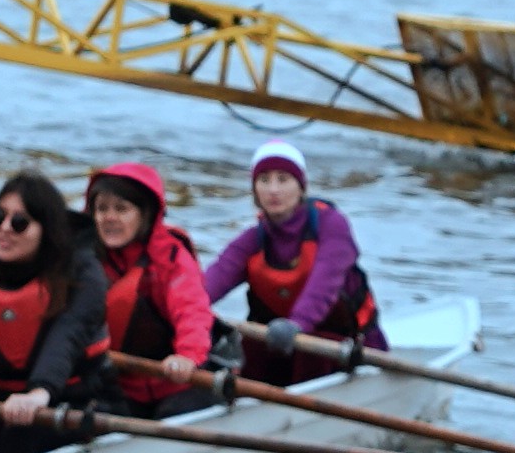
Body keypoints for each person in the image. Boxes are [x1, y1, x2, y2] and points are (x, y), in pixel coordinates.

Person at [0, 166, 94, 453]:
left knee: (18, 440)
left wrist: (40, 392)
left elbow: (67, 336)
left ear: (46, 230)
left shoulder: (82, 272)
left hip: (69, 400)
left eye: (20, 222)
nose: (5, 228)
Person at [205, 147, 380, 382]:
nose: (273, 190)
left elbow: (324, 286)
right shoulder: (251, 241)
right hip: (280, 345)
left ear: (301, 187)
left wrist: (297, 323)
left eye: (283, 179)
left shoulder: (332, 225)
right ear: (255, 191)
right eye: (264, 180)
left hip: (346, 346)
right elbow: (207, 285)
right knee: (248, 348)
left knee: (309, 355)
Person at [73, 160, 216, 410]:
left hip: (175, 382)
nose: (110, 218)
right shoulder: (84, 258)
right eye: (102, 209)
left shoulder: (170, 257)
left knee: (175, 411)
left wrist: (188, 356)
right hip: (115, 383)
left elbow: (192, 310)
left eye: (122, 209)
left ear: (144, 215)